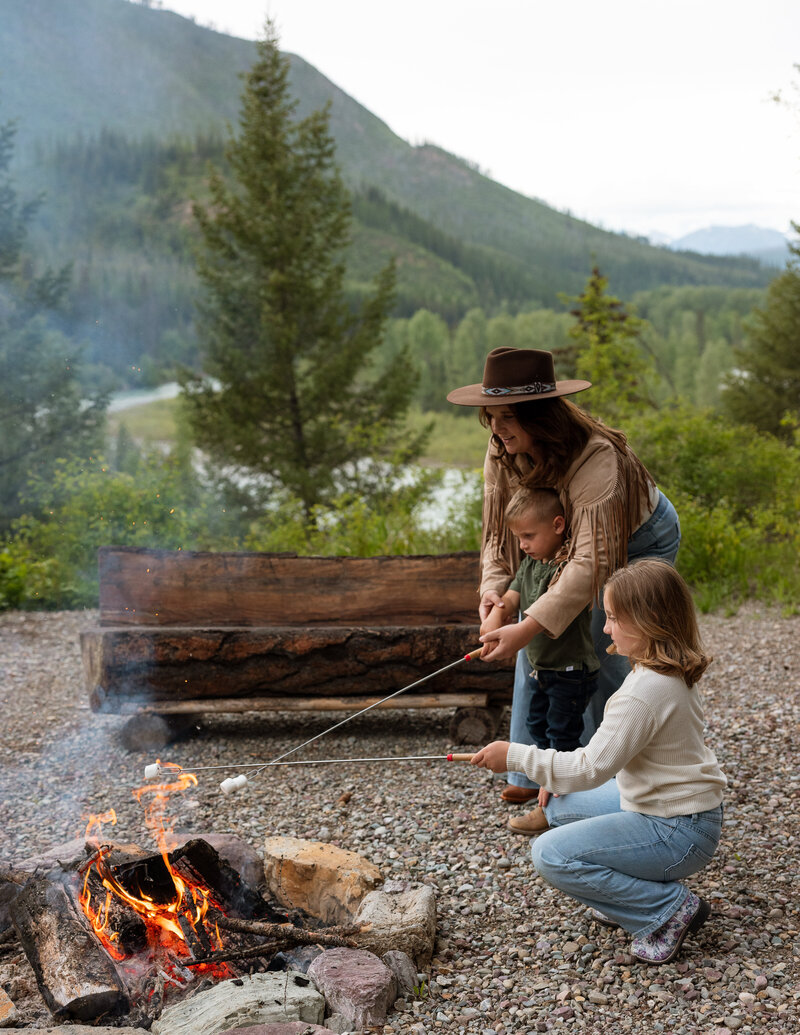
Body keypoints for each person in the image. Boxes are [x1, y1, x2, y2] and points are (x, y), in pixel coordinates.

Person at [447, 346, 680, 805]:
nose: (496, 428)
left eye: (508, 416)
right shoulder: (503, 449)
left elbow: (591, 562)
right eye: (491, 416)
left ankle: (601, 785)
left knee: (603, 646)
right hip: (561, 541)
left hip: (635, 540)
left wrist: (529, 623)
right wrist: (495, 597)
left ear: (540, 415)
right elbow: (500, 531)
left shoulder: (596, 456)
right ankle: (531, 769)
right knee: (530, 637)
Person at [471, 559, 726, 965]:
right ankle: (622, 891)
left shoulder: (644, 692)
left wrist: (514, 755)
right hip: (681, 811)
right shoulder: (664, 668)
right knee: (557, 802)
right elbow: (599, 763)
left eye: (612, 618)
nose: (605, 629)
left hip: (679, 831)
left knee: (550, 854)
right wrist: (555, 775)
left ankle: (665, 908)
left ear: (649, 620)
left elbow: (590, 769)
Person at [480, 486, 600, 834]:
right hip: (542, 671)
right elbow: (512, 597)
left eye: (529, 536)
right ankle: (545, 782)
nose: (523, 545)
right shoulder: (532, 563)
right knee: (537, 728)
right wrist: (493, 618)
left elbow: (552, 606)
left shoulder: (566, 570)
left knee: (561, 738)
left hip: (571, 672)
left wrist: (517, 629)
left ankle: (558, 808)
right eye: (518, 538)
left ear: (559, 525)